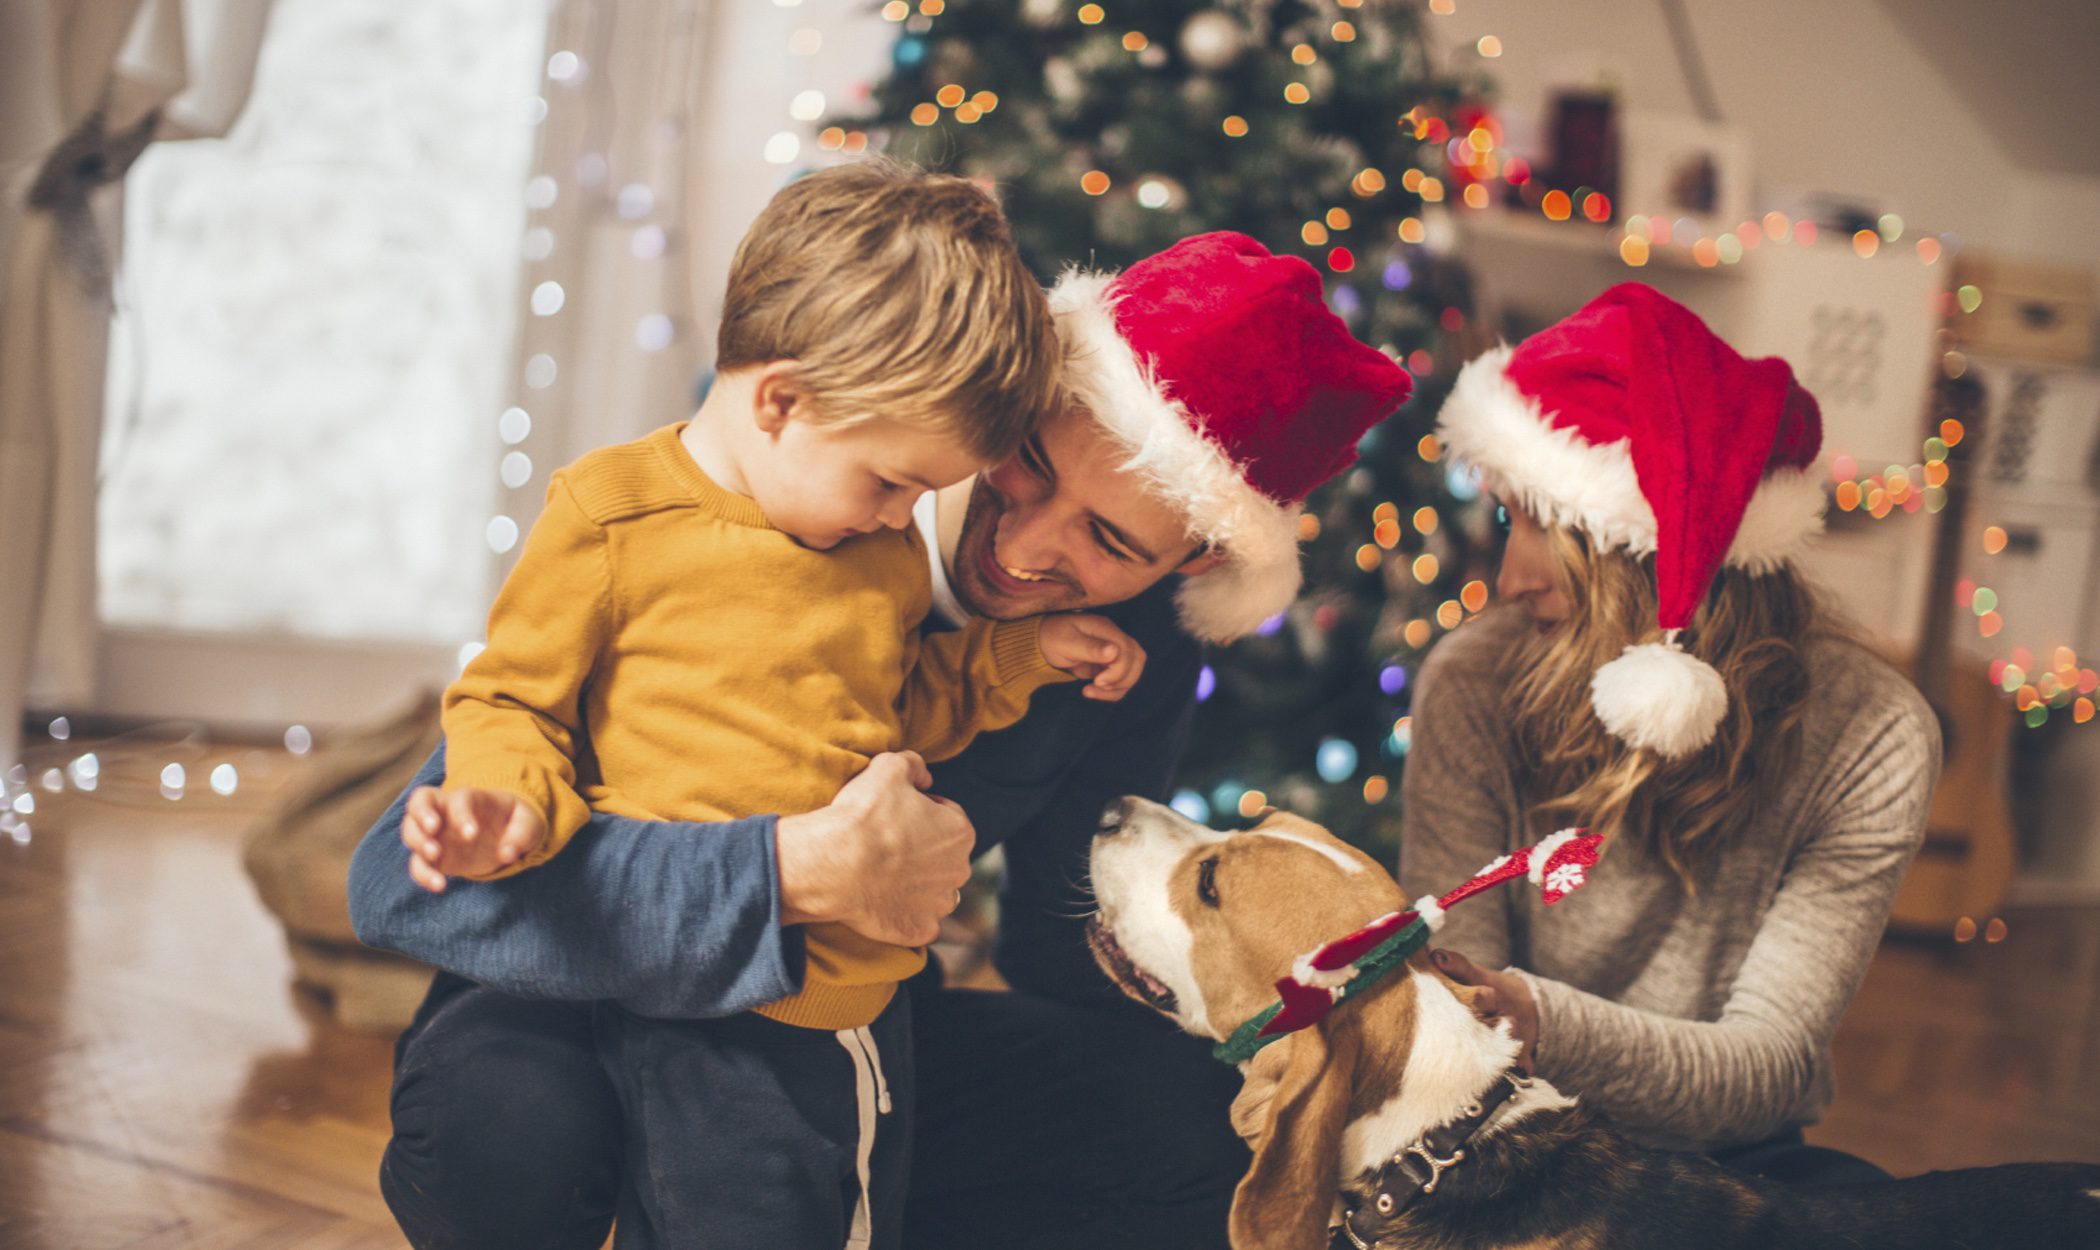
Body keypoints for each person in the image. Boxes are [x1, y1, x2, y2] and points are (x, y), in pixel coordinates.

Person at [348, 229, 1415, 1249]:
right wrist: (788, 873)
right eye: (1030, 461)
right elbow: (403, 885)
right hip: (575, 993)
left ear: (1188, 564)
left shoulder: (1126, 656)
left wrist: (1310, 1002)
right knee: (511, 1129)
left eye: (1110, 538)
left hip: (818, 1020)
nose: (1030, 543)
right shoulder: (757, 502)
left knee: (1199, 1125)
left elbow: (1057, 942)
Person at [385, 158, 1166, 1250]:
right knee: (524, 1127)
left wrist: (1021, 657)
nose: (904, 512)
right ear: (781, 400)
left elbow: (909, 703)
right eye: (891, 479)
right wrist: (498, 802)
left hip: (799, 1004)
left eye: (915, 489)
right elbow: (512, 696)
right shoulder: (612, 516)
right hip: (605, 980)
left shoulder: (873, 550)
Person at [1402, 282, 1938, 1187]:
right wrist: (1500, 1025)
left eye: (1553, 527)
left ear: (1659, 556)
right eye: (1507, 519)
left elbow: (1766, 1066)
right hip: (1507, 1122)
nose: (1508, 577)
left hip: (1722, 1155)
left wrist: (1536, 1019)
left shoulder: (1874, 739)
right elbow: (1457, 1012)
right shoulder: (1473, 685)